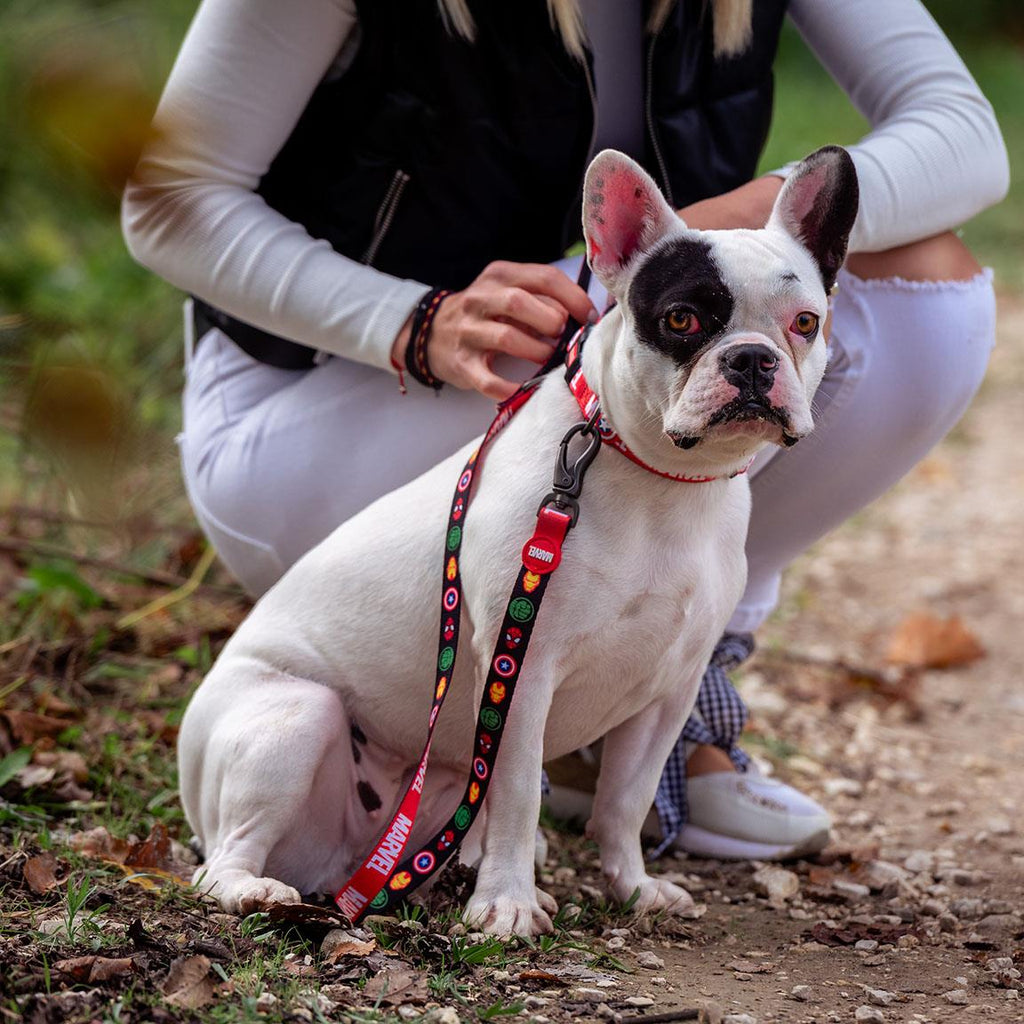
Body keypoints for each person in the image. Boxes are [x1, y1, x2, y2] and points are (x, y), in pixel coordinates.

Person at [122, 0, 1008, 863]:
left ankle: (643, 680)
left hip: (599, 326)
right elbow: (169, 197)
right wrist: (407, 319)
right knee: (597, 333)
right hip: (325, 395)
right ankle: (560, 703)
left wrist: (739, 236)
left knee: (928, 288)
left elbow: (965, 134)